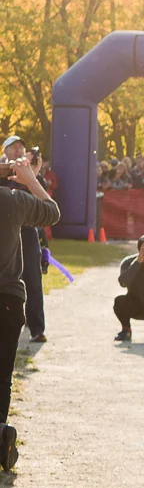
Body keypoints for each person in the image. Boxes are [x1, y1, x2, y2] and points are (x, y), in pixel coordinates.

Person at [0, 157, 59, 471]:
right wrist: (31, 179)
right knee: (2, 376)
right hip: (8, 299)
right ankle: (1, 435)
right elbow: (52, 212)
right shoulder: (13, 199)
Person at [2, 137, 49, 343]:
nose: (19, 150)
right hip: (5, 231)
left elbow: (44, 201)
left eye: (21, 147)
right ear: (5, 151)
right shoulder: (2, 172)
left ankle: (37, 328)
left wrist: (33, 176)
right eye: (14, 147)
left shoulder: (31, 172)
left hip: (28, 231)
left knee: (33, 278)